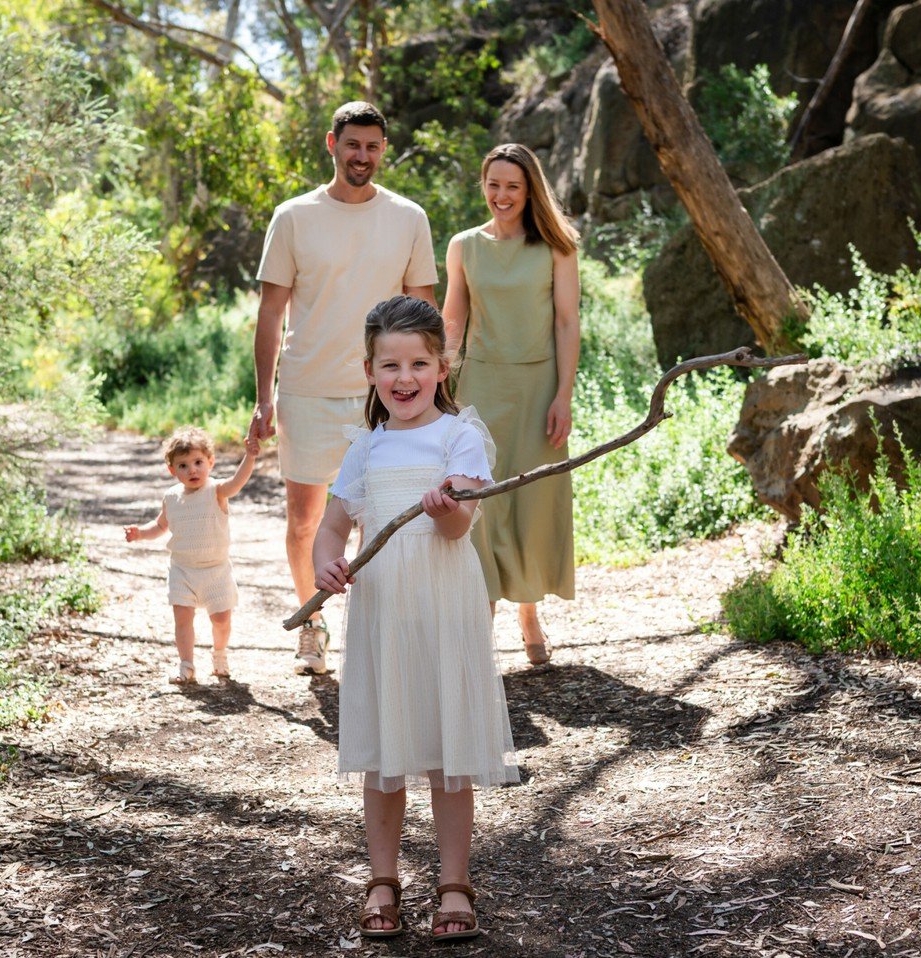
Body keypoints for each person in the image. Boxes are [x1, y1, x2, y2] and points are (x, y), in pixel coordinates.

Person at [312, 296, 517, 941]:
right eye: (390, 365)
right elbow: (332, 525)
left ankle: (454, 882)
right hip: (383, 615)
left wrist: (446, 510)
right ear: (370, 371)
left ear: (442, 368)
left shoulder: (459, 437)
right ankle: (383, 878)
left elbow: (459, 530)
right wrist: (327, 563)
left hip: (443, 609)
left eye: (419, 364)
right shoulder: (366, 448)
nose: (405, 378)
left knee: (449, 750)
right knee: (384, 754)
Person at [250, 100, 439, 676]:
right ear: (332, 144)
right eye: (353, 144)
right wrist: (263, 398)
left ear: (384, 150)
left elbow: (425, 314)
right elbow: (270, 313)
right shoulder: (293, 217)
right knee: (305, 521)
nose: (362, 156)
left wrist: (430, 392)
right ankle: (312, 624)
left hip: (386, 394)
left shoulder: (408, 217)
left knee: (380, 516)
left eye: (372, 146)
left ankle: (376, 631)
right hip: (307, 388)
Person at [442, 143, 580, 665]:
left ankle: (528, 610)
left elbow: (566, 322)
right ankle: (483, 615)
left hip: (539, 388)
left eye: (513, 187)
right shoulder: (464, 246)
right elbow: (452, 321)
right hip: (480, 389)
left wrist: (563, 395)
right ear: (483, 185)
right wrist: (438, 391)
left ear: (530, 191)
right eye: (494, 184)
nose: (502, 195)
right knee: (482, 502)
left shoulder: (557, 247)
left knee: (531, 500)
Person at [124, 427, 260, 684]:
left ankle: (219, 654)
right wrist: (140, 533)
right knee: (182, 619)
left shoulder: (217, 490)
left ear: (211, 462)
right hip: (182, 570)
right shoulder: (171, 497)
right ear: (172, 470)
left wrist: (250, 456)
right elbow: (160, 526)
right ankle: (186, 664)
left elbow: (237, 482)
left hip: (216, 570)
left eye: (198, 462)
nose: (192, 470)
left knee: (221, 619)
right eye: (183, 466)